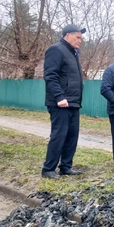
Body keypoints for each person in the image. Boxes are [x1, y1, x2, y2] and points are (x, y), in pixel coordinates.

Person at [41, 24, 86, 179]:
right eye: (78, 37)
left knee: (72, 135)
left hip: (73, 102)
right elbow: (50, 76)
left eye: (81, 37)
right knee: (59, 135)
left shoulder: (73, 53)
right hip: (60, 103)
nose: (81, 40)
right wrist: (59, 97)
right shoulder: (56, 50)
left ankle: (66, 167)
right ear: (67, 35)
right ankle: (48, 169)